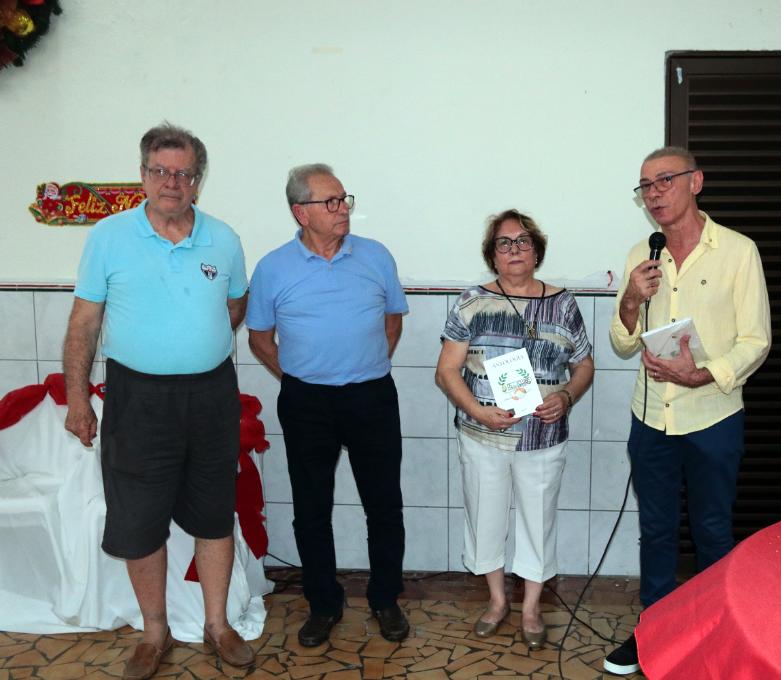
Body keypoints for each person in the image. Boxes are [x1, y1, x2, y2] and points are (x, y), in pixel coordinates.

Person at [63, 123, 254, 680]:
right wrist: (78, 399)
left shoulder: (224, 239)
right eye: (161, 171)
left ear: (199, 180)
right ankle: (154, 631)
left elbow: (234, 307)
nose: (173, 182)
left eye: (184, 173)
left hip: (211, 396)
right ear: (143, 175)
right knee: (139, 519)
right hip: (137, 400)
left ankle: (217, 624)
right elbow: (84, 323)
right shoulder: (108, 237)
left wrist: (195, 343)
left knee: (213, 513)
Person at [604, 147, 771, 675]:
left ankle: (716, 634)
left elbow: (756, 340)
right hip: (652, 416)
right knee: (655, 530)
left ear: (696, 181)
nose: (654, 194)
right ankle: (653, 633)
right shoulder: (642, 253)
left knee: (712, 530)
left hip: (713, 416)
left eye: (665, 181)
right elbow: (622, 341)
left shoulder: (738, 251)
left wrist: (702, 374)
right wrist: (631, 300)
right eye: (645, 186)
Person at [245, 164, 410, 646]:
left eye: (344, 199)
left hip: (371, 395)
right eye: (331, 202)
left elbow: (393, 320)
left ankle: (385, 599)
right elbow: (259, 338)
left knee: (384, 504)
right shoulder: (273, 267)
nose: (343, 209)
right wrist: (298, 376)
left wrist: (365, 363)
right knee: (311, 508)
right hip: (307, 402)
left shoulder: (376, 255)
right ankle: (323, 604)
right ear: (301, 212)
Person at [435, 209, 594, 649]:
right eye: (504, 243)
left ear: (537, 251)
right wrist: (478, 411)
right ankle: (497, 600)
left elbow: (584, 365)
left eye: (523, 241)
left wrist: (567, 397)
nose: (514, 249)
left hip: (542, 437)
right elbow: (446, 371)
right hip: (482, 434)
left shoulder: (563, 303)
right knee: (484, 516)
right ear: (493, 255)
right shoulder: (471, 301)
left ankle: (530, 608)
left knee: (538, 520)